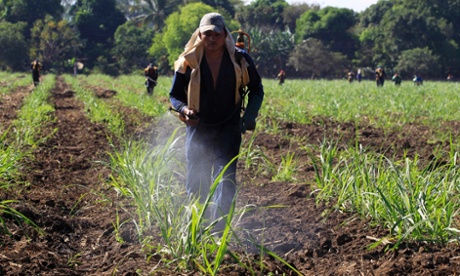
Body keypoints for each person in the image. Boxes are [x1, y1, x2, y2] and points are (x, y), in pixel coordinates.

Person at [169, 12, 264, 231]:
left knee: (226, 180)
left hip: (228, 128)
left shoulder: (240, 59)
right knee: (196, 181)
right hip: (198, 129)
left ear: (225, 35)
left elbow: (256, 89)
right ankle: (197, 228)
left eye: (217, 34)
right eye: (207, 34)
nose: (212, 39)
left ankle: (219, 232)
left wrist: (249, 116)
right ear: (200, 35)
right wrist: (185, 109)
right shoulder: (188, 61)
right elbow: (174, 95)